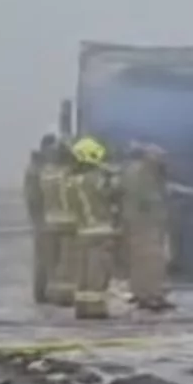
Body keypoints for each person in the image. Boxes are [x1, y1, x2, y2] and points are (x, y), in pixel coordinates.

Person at [66, 136, 118, 320]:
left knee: (84, 274)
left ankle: (83, 307)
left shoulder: (72, 181)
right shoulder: (97, 179)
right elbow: (112, 193)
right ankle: (96, 310)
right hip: (101, 231)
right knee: (98, 273)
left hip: (82, 231)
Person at [119, 143, 173, 311]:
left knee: (148, 261)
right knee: (149, 261)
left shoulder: (141, 172)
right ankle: (150, 295)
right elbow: (144, 200)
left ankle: (149, 293)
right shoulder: (140, 174)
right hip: (144, 224)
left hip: (146, 224)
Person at [37, 139, 78, 305]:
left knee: (51, 261)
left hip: (49, 221)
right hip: (68, 223)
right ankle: (64, 296)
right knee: (66, 262)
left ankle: (51, 292)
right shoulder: (69, 176)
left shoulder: (46, 174)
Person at [24, 135, 59, 303]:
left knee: (49, 257)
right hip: (43, 219)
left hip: (46, 218)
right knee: (44, 258)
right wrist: (38, 218)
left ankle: (45, 291)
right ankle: (41, 292)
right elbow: (33, 197)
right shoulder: (37, 169)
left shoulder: (41, 167)